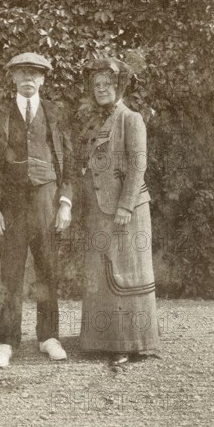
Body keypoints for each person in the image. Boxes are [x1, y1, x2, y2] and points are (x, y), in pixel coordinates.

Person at [0, 52, 73, 368]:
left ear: (44, 79)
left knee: (48, 270)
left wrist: (65, 202)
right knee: (11, 273)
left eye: (35, 74)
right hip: (12, 204)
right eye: (22, 73)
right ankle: (6, 341)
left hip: (47, 200)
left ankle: (48, 337)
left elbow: (69, 161)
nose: (28, 79)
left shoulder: (55, 113)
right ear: (12, 78)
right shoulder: (0, 115)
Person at [79, 58, 160, 365]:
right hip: (102, 209)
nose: (101, 90)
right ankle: (106, 342)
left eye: (107, 85)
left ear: (119, 87)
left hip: (128, 210)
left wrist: (125, 206)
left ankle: (132, 344)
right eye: (97, 86)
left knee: (127, 275)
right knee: (105, 274)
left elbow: (139, 165)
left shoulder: (131, 119)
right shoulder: (98, 121)